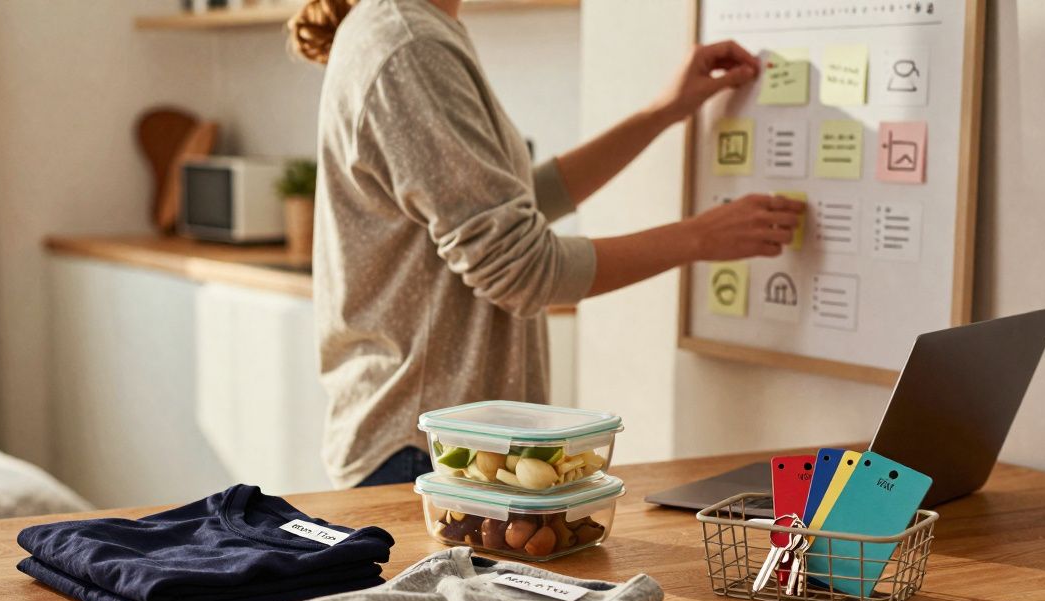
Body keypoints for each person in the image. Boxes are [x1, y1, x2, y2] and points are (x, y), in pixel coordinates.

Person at [291, 0, 804, 488]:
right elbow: (522, 267)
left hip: (433, 442)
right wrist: (700, 237)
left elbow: (512, 205)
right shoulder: (410, 46)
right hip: (428, 451)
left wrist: (663, 112)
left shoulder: (407, 30)